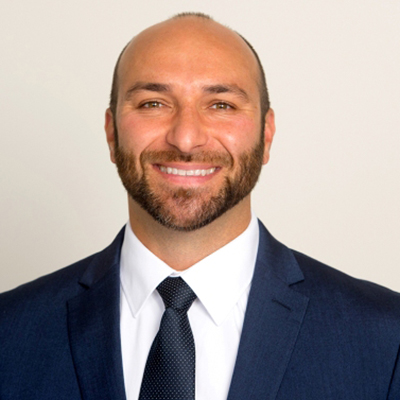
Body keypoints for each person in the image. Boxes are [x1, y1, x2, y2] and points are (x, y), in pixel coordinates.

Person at [1, 12, 399, 400]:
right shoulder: (10, 333)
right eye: (153, 103)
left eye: (221, 105)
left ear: (267, 133)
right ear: (111, 132)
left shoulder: (385, 338)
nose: (186, 138)